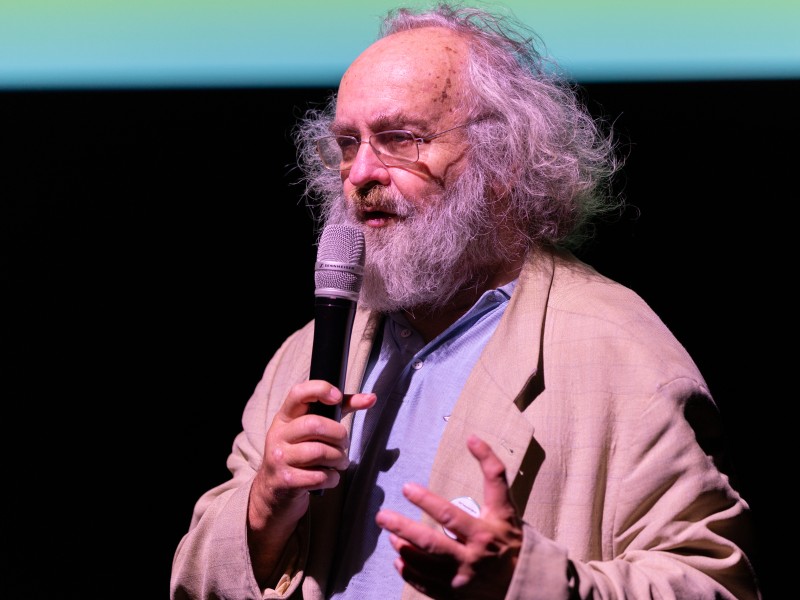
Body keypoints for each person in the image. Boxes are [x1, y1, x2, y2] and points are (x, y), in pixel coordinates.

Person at [170, 2, 762, 599]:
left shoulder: (618, 349)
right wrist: (262, 509)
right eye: (348, 144)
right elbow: (193, 579)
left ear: (505, 161)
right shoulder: (306, 355)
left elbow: (718, 583)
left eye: (399, 139)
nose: (360, 173)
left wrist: (524, 581)